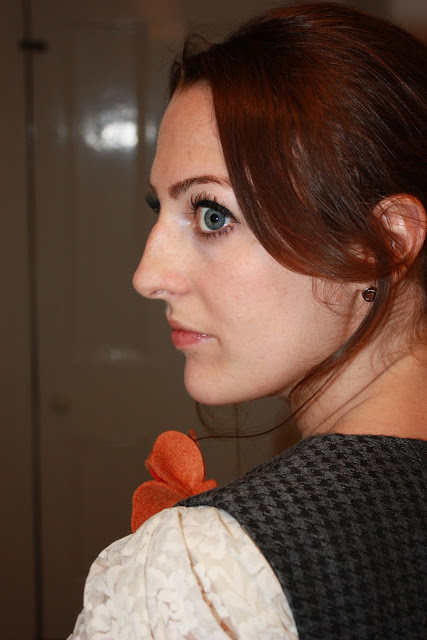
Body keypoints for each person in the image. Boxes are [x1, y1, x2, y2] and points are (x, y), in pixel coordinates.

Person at [69, 3, 426, 638]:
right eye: (160, 208)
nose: (147, 276)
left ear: (384, 243)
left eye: (212, 215)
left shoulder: (209, 571)